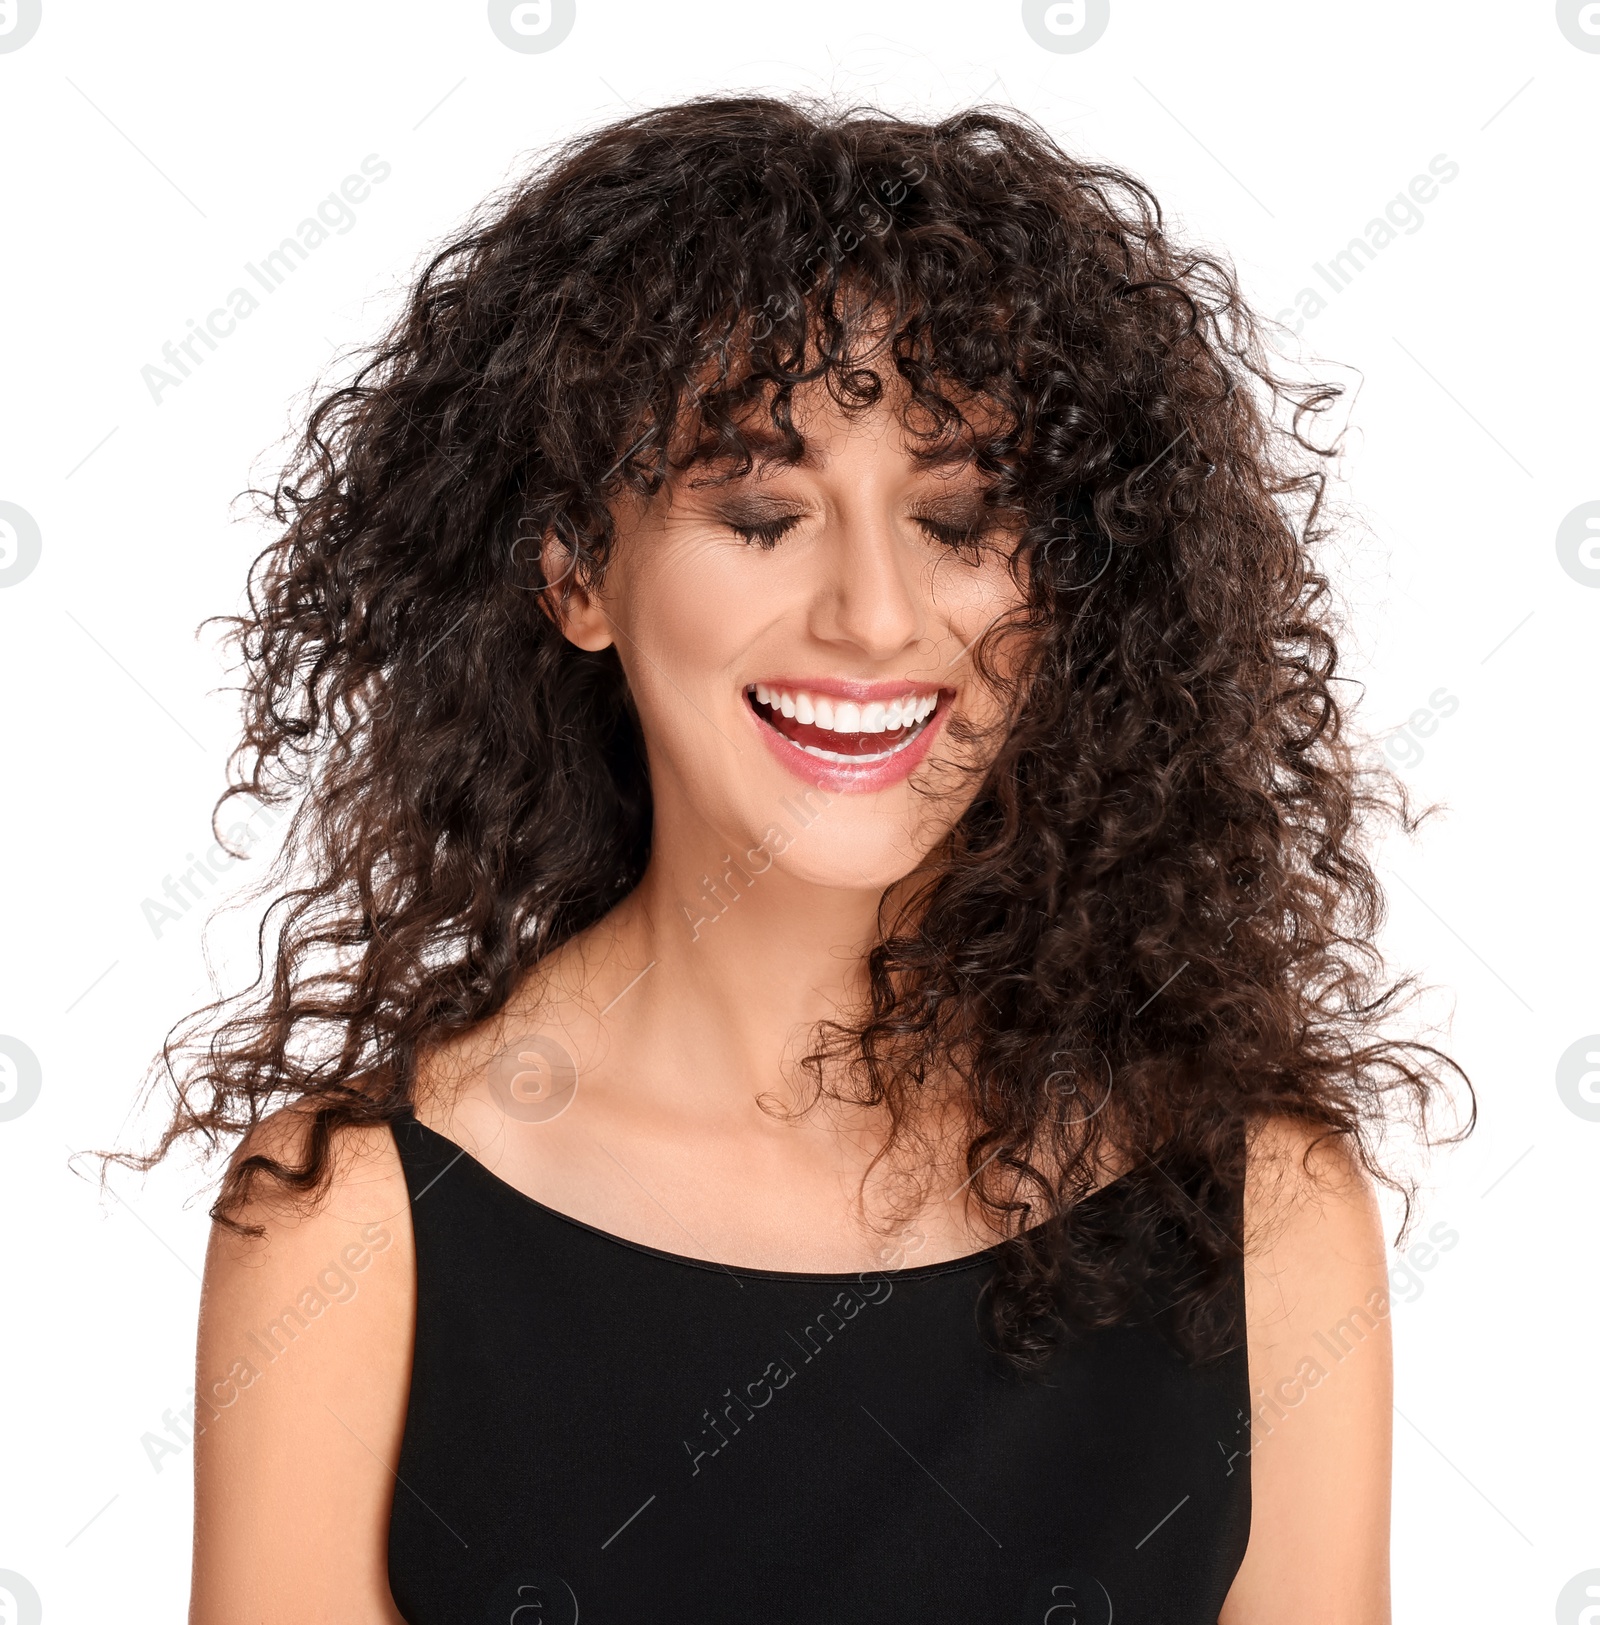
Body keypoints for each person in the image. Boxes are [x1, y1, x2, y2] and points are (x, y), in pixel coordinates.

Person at [150, 96, 1461, 1623]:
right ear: (575, 568)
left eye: (960, 516)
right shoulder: (348, 1228)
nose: (875, 615)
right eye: (765, 513)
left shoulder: (1262, 1215)